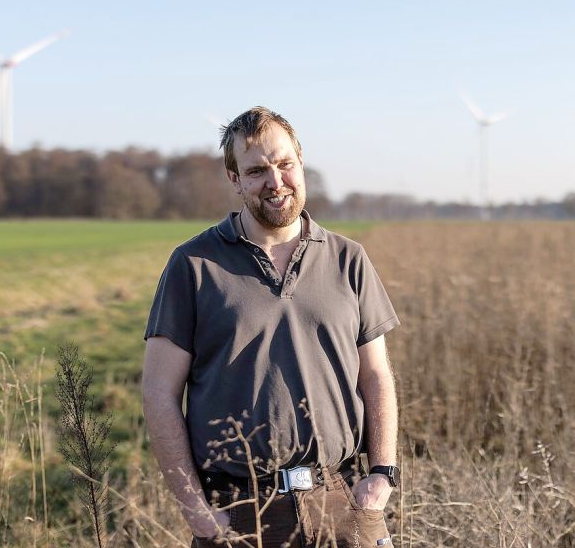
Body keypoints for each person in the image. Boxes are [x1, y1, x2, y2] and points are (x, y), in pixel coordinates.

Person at [142, 106, 401, 547]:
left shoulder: (348, 259)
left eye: (284, 164)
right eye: (257, 170)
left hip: (341, 501)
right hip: (241, 511)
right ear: (235, 179)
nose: (275, 181)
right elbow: (158, 391)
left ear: (301, 162)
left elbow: (375, 375)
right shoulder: (194, 265)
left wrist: (382, 474)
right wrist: (196, 512)